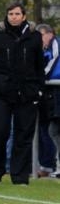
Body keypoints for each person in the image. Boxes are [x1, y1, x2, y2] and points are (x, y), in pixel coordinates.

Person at [0, 2, 44, 185]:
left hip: (27, 93)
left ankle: (20, 176)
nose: (14, 17)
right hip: (1, 92)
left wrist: (38, 89)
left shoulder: (34, 37)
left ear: (24, 16)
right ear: (7, 16)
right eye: (10, 14)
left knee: (24, 134)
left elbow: (39, 64)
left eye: (17, 13)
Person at [36, 23, 60, 177]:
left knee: (54, 129)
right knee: (53, 130)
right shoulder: (45, 49)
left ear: (49, 34)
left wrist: (39, 77)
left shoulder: (56, 44)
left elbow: (52, 63)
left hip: (56, 91)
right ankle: (54, 165)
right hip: (52, 93)